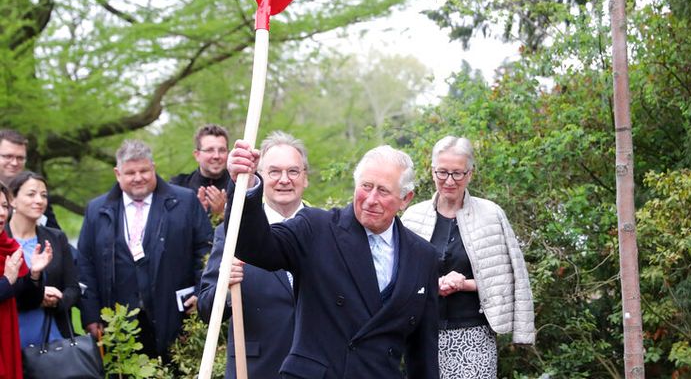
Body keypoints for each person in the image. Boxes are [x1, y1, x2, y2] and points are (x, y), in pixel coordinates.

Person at [227, 141, 440, 379]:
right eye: (366, 186)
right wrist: (246, 186)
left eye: (382, 191)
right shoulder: (316, 227)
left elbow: (423, 351)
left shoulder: (423, 256)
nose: (370, 199)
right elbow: (256, 247)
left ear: (405, 198)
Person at [400, 136, 536, 379]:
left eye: (457, 173)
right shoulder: (412, 217)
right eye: (442, 172)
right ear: (432, 172)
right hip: (424, 335)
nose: (449, 181)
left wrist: (463, 284)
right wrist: (435, 284)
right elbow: (399, 277)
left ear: (470, 174)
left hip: (475, 335)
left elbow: (506, 278)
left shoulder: (491, 215)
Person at [77, 139, 213, 360]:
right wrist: (91, 315)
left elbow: (206, 251)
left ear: (154, 168)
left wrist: (201, 292)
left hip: (175, 318)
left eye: (144, 171)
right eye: (130, 173)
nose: (138, 178)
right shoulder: (96, 210)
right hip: (118, 324)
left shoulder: (185, 201)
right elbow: (85, 264)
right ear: (117, 174)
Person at [198, 131, 310, 378]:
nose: (284, 180)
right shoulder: (233, 233)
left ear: (305, 178)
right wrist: (225, 288)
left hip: (317, 368)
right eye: (274, 172)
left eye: (293, 171)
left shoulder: (328, 230)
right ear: (259, 176)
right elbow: (206, 309)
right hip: (255, 370)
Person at [7, 172, 80, 347]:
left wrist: (57, 300)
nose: (39, 200)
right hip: (10, 333)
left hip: (52, 336)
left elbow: (73, 288)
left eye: (44, 195)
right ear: (12, 199)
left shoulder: (56, 238)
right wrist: (37, 295)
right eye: (31, 194)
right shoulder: (3, 239)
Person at [0, 181, 51, 379]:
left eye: (4, 206)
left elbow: (26, 300)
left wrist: (34, 275)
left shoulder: (10, 248)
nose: (2, 213)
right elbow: (6, 287)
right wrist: (6, 282)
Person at [0, 130, 59, 229]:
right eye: (8, 156)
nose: (14, 163)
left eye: (20, 158)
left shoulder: (37, 196)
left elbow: (56, 238)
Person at [170, 124, 231, 220]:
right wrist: (195, 213)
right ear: (197, 155)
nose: (216, 156)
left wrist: (223, 213)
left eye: (222, 150)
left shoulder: (240, 187)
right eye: (210, 150)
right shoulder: (178, 186)